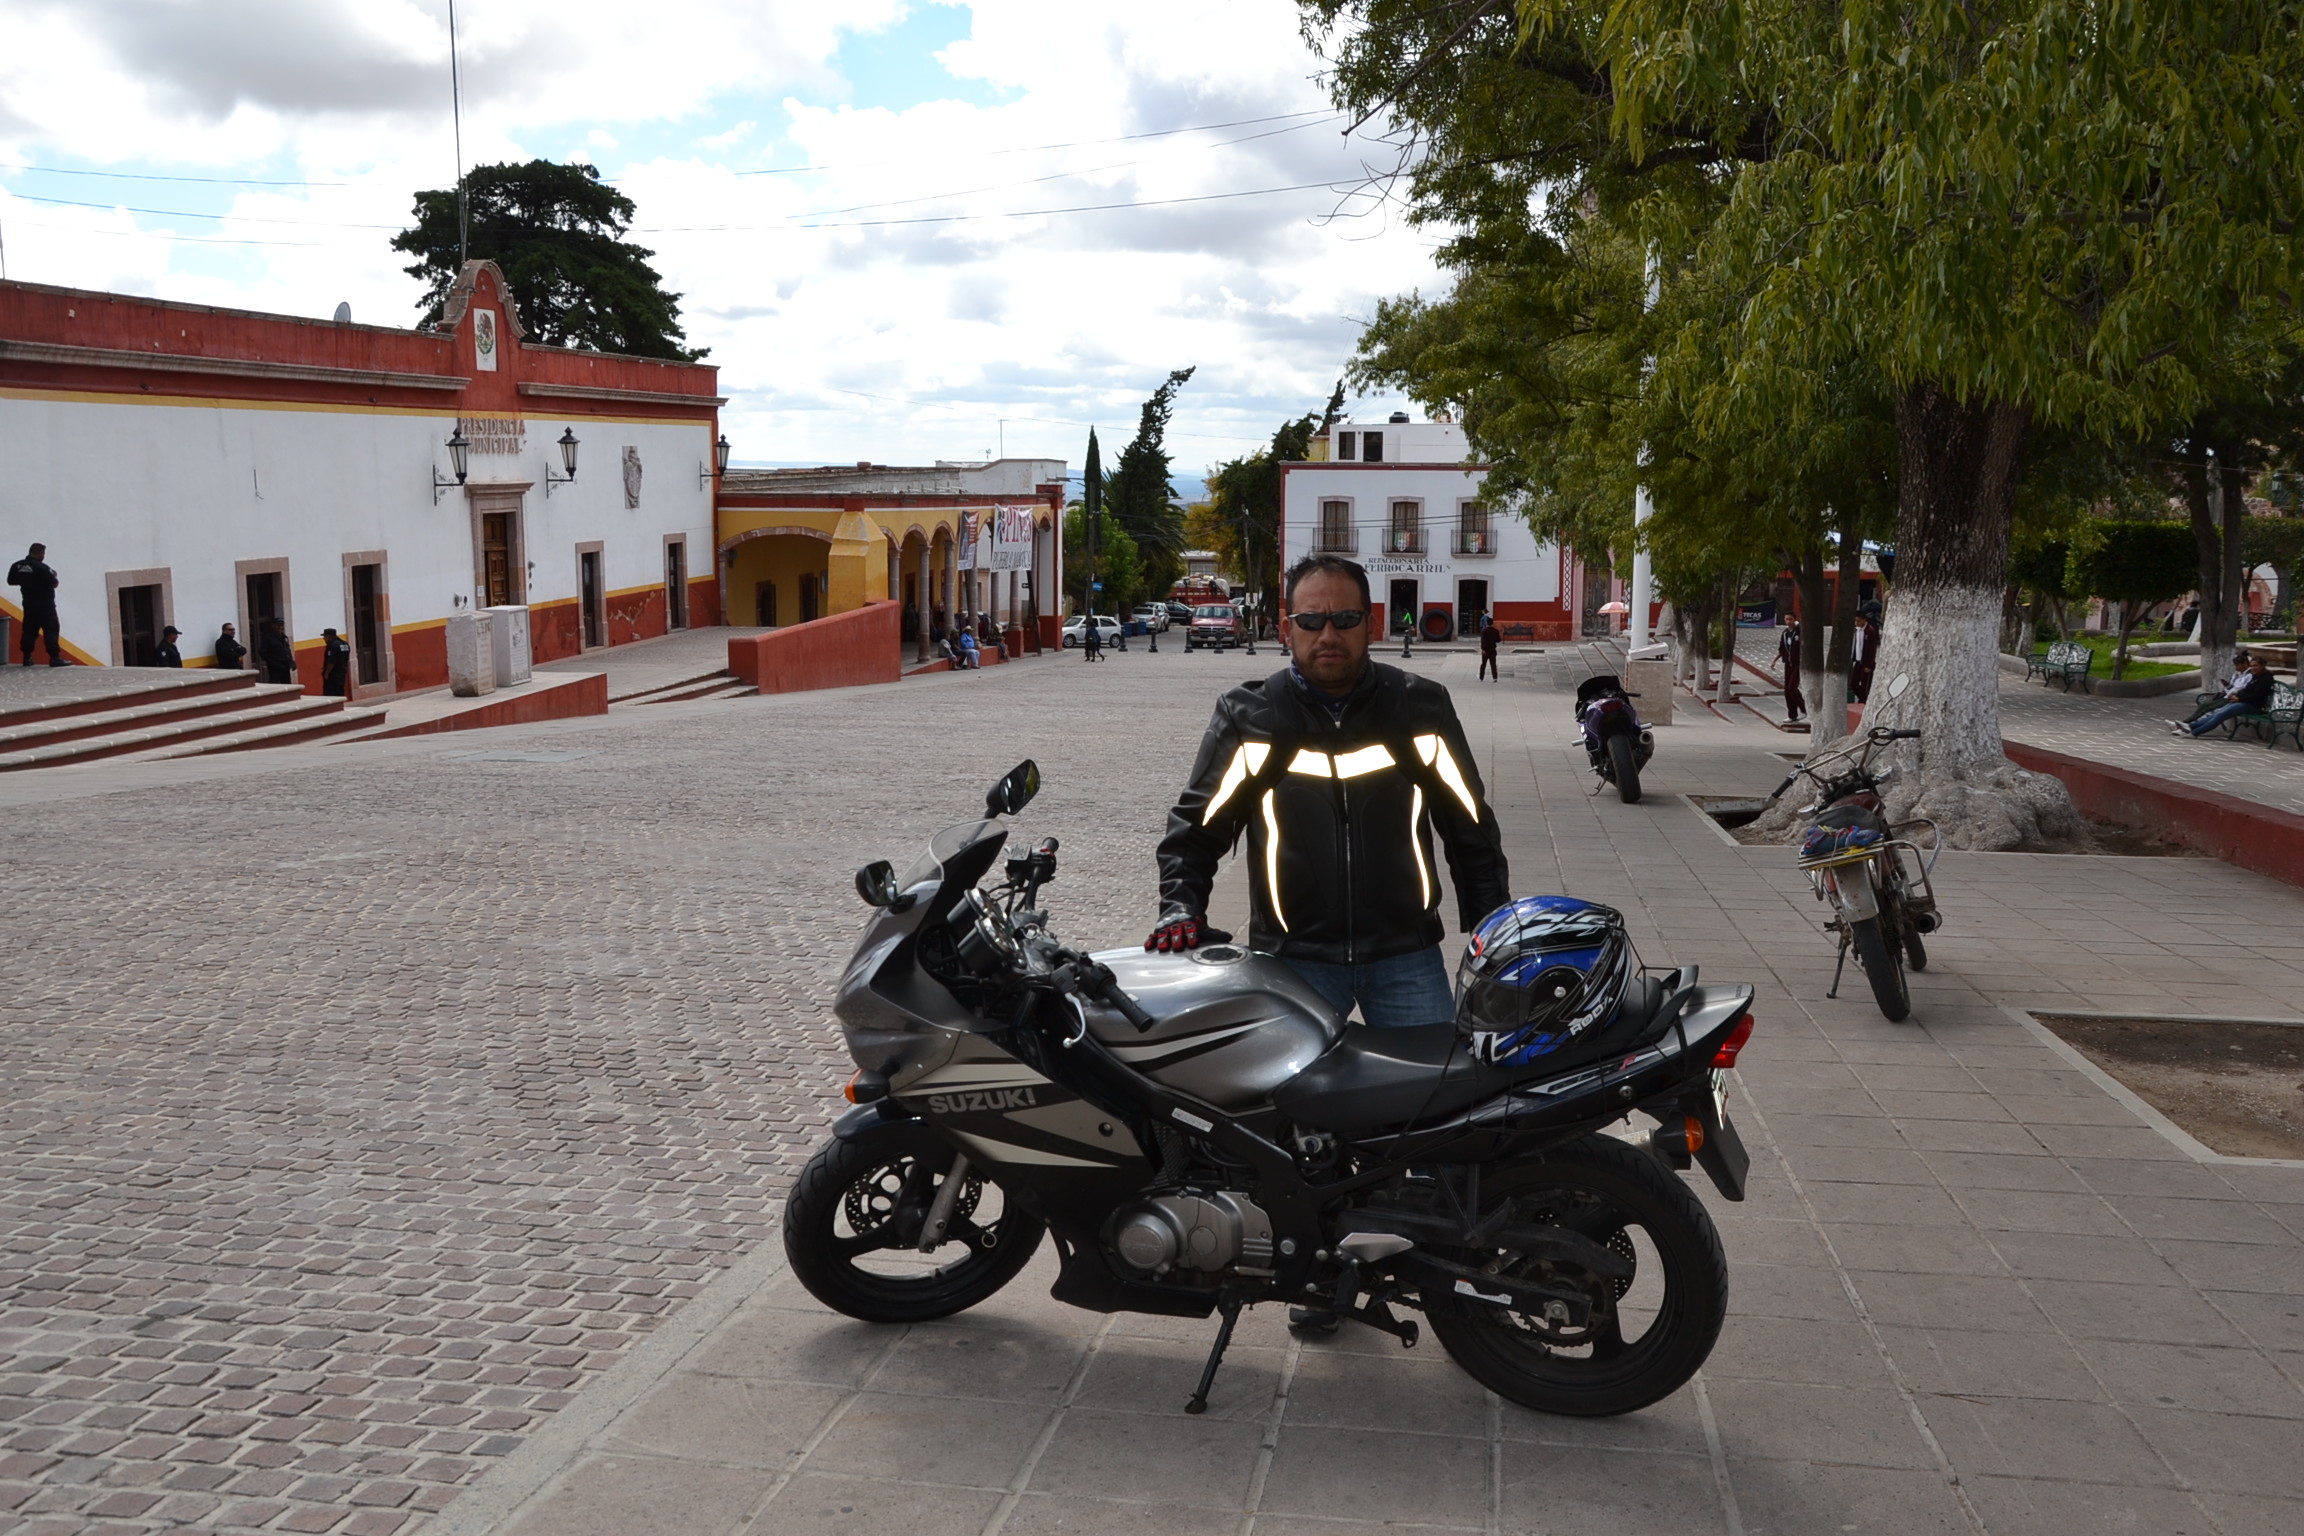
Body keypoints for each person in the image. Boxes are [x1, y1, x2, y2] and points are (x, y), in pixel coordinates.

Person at [2171, 653, 2275, 737]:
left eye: (2256, 666)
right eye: (2252, 666)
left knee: (2221, 715)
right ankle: (2189, 726)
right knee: (2217, 712)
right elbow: (2246, 690)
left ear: (2262, 666)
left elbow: (2256, 695)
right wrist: (2237, 695)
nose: (2253, 668)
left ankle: (2195, 731)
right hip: (2242, 702)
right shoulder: (2255, 677)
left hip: (2252, 706)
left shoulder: (2265, 679)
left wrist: (2238, 698)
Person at [7, 542, 66, 666]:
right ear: (40, 554)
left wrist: (27, 582)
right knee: (51, 630)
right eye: (43, 553)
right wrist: (52, 576)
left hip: (29, 604)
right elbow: (54, 583)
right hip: (46, 605)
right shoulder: (42, 567)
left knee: (29, 630)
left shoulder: (17, 566)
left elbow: (11, 581)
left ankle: (27, 657)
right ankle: (55, 657)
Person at [1777, 620, 1806, 722]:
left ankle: (1804, 708)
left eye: (1790, 619)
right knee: (1787, 690)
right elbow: (1782, 649)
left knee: (1792, 687)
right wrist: (1775, 661)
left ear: (1794, 619)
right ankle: (1792, 715)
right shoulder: (1785, 633)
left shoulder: (1800, 632)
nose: (1788, 621)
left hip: (1798, 664)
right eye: (1786, 619)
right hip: (1788, 664)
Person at [257, 617, 296, 685]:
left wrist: (291, 661)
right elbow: (263, 652)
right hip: (275, 668)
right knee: (275, 685)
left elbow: (287, 650)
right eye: (278, 625)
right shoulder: (267, 638)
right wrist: (273, 662)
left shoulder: (284, 637)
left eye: (282, 625)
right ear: (273, 626)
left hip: (285, 666)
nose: (281, 627)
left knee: (287, 685)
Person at [321, 628, 350, 696]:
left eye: (325, 636)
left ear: (329, 636)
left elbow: (332, 662)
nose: (324, 639)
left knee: (331, 695)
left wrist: (326, 673)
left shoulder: (333, 646)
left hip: (333, 676)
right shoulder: (345, 644)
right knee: (340, 693)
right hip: (342, 674)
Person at [1477, 613, 1502, 681]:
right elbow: (1498, 640)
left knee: (1483, 664)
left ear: (1487, 623)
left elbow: (1483, 641)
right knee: (1493, 664)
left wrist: (1483, 649)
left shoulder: (1484, 631)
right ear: (1492, 623)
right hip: (1493, 649)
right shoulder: (1495, 631)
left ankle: (1481, 677)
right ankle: (1495, 678)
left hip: (1486, 650)